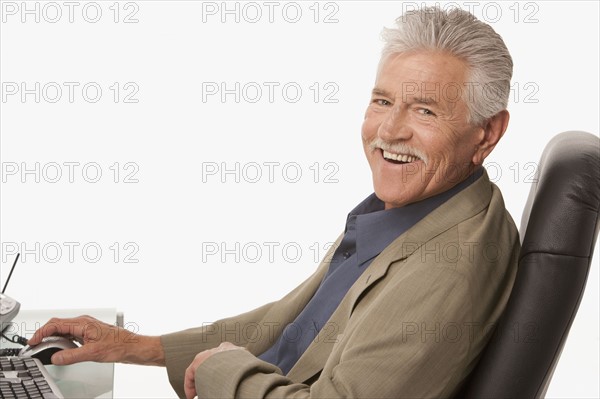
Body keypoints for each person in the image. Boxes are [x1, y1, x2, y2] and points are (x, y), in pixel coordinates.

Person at [29, 6, 520, 398]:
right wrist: (130, 347)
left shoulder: (446, 266)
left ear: (487, 133)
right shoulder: (408, 215)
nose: (389, 131)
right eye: (383, 101)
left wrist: (224, 370)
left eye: (426, 110)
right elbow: (283, 324)